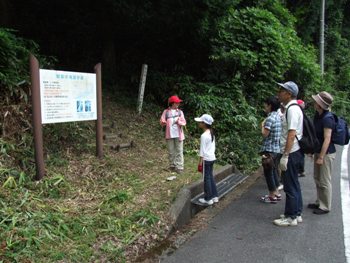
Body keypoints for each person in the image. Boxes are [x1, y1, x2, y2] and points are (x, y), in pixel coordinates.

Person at [273, 81, 304, 227]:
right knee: (294, 184)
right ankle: (296, 212)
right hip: (296, 151)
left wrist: (285, 155)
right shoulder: (294, 108)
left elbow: (291, 134)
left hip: (291, 152)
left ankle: (290, 216)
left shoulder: (291, 109)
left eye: (282, 90)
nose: (279, 92)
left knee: (290, 186)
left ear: (289, 94)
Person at [308, 91, 335, 215]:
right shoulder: (318, 115)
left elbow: (327, 139)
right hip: (319, 151)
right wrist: (313, 152)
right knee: (317, 178)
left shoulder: (327, 118)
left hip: (326, 153)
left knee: (324, 180)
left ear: (320, 104)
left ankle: (325, 206)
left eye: (316, 101)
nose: (314, 103)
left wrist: (321, 156)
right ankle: (319, 201)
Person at [260, 96, 282, 204]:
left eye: (266, 104)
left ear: (270, 106)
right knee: (273, 171)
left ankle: (272, 195)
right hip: (277, 149)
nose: (264, 106)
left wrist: (262, 126)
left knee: (268, 173)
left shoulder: (269, 119)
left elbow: (265, 134)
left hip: (269, 149)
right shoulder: (278, 117)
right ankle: (276, 193)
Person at [195, 114, 218, 206]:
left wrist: (200, 163)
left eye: (200, 122)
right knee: (210, 177)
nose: (199, 123)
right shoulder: (211, 133)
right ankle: (214, 196)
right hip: (212, 157)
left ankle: (208, 198)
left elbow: (202, 151)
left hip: (206, 159)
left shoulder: (204, 135)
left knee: (206, 178)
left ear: (204, 124)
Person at [160, 95, 187, 174]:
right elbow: (161, 120)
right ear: (172, 103)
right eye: (176, 102)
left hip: (179, 135)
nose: (178, 104)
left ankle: (180, 167)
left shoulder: (180, 112)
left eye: (178, 102)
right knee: (171, 151)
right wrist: (163, 122)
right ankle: (172, 165)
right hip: (169, 134)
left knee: (179, 151)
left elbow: (184, 122)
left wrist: (179, 122)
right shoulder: (166, 112)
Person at [297, 99, 306, 178]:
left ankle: (300, 170)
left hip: (299, 137)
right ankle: (301, 170)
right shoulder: (303, 114)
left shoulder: (298, 113)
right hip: (302, 137)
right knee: (301, 155)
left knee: (299, 155)